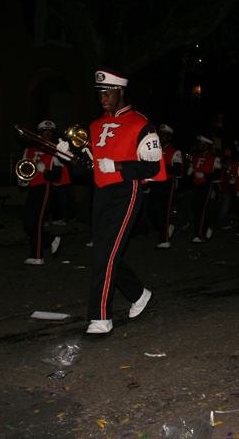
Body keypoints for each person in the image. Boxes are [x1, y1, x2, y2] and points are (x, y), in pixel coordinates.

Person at [75, 67, 163, 338]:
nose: (103, 97)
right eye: (100, 92)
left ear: (121, 91)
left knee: (105, 254)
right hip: (101, 192)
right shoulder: (94, 125)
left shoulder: (141, 123)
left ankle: (101, 318)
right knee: (105, 252)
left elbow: (154, 167)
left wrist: (119, 166)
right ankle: (139, 294)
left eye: (108, 92)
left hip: (126, 190)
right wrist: (71, 155)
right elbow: (89, 167)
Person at [18, 120, 64, 265]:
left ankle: (37, 256)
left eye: (50, 133)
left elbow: (57, 176)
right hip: (33, 188)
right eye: (45, 132)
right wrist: (22, 180)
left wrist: (44, 171)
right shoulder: (28, 150)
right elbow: (24, 170)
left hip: (45, 188)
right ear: (39, 134)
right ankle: (51, 239)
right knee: (27, 224)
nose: (48, 135)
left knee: (36, 223)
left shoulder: (56, 152)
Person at [147, 124, 182, 249]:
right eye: (160, 134)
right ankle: (166, 229)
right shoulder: (156, 150)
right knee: (150, 210)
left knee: (163, 212)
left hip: (167, 182)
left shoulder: (175, 152)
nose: (162, 136)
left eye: (164, 134)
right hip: (156, 182)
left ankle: (165, 240)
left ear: (169, 137)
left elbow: (178, 171)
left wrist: (161, 164)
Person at [188, 135, 221, 242]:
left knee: (201, 209)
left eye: (201, 143)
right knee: (196, 210)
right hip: (196, 185)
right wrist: (190, 170)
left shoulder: (214, 158)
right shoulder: (195, 156)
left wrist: (205, 175)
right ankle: (208, 226)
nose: (199, 145)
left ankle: (199, 235)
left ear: (207, 145)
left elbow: (218, 174)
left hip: (206, 185)